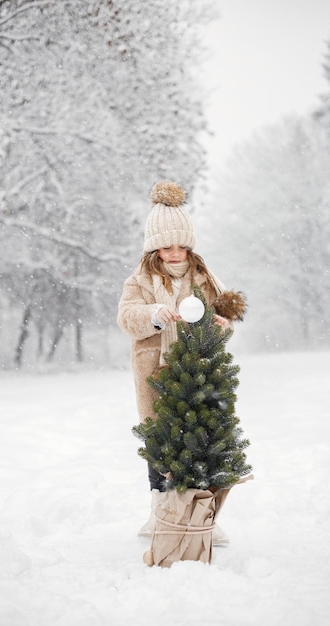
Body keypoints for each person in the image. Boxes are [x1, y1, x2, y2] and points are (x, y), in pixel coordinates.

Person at [117, 180, 233, 545]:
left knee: (202, 441)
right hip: (156, 371)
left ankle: (203, 516)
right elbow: (126, 316)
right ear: (154, 247)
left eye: (181, 245)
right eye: (166, 247)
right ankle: (161, 513)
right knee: (162, 442)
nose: (174, 253)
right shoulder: (140, 280)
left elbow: (222, 315)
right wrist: (153, 313)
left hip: (197, 371)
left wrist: (221, 324)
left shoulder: (205, 278)